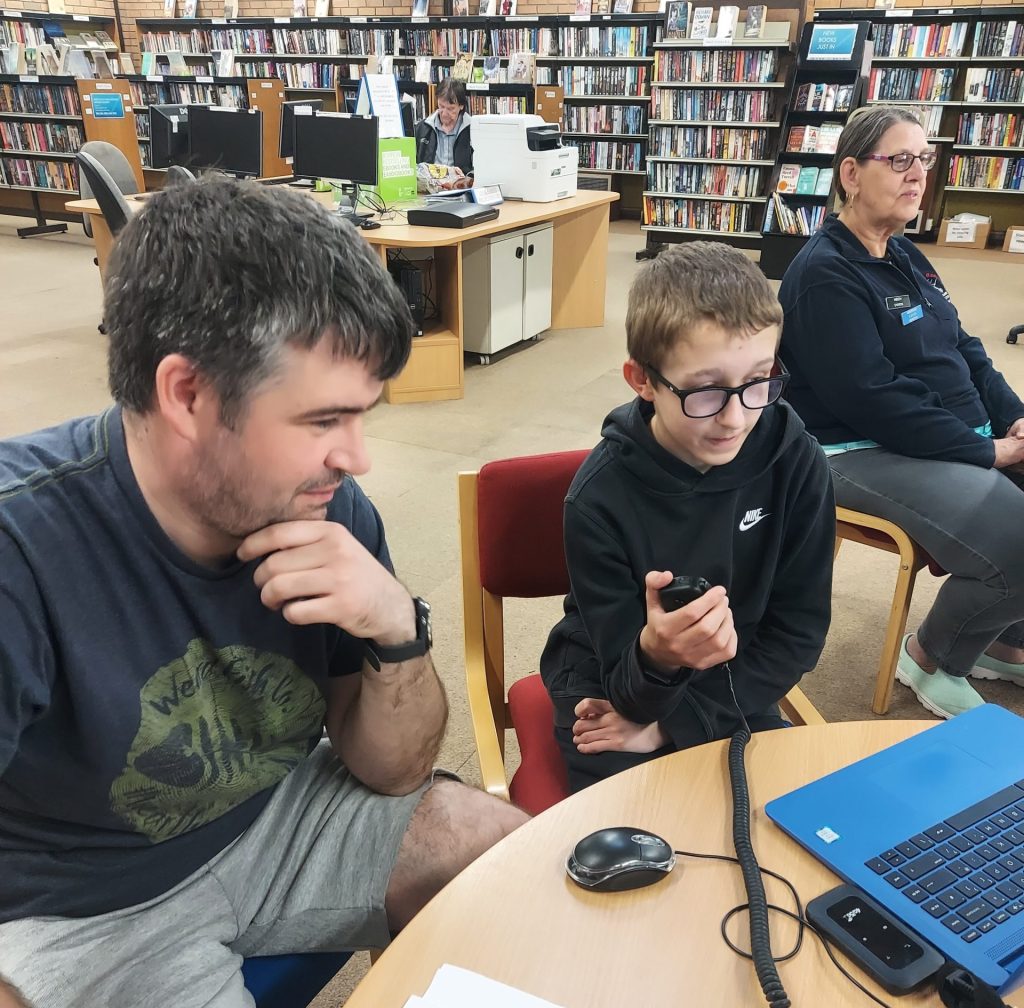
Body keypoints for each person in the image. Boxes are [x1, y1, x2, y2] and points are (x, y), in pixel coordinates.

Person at [0, 177, 528, 1008]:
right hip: (82, 907)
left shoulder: (329, 506)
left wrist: (396, 628)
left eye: (362, 416)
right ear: (188, 394)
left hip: (276, 816)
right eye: (323, 422)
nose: (358, 458)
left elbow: (393, 773)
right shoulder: (19, 546)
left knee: (518, 860)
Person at [539, 242, 834, 793]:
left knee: (770, 813)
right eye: (704, 391)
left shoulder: (796, 459)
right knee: (630, 825)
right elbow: (626, 692)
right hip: (616, 669)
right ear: (642, 380)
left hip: (735, 675)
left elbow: (798, 631)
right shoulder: (598, 499)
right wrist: (659, 656)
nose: (735, 417)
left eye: (759, 381)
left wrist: (670, 728)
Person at [779, 105, 1024, 720]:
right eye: (899, 159)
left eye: (925, 160)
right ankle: (932, 656)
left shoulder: (905, 253)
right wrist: (983, 449)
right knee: (1020, 538)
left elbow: (964, 348)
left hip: (939, 433)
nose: (918, 174)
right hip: (853, 450)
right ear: (851, 174)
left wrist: (1012, 417)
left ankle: (1002, 638)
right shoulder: (824, 275)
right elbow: (871, 398)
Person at [414, 78, 473, 191]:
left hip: (461, 192)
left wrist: (467, 179)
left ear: (461, 106)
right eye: (441, 106)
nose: (444, 113)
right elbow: (414, 165)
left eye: (451, 109)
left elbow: (481, 169)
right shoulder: (423, 128)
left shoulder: (473, 130)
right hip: (428, 192)